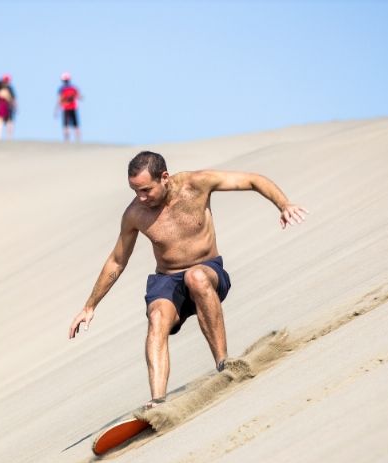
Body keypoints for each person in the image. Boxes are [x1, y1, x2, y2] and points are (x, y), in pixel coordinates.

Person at [68, 151, 309, 408]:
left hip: (207, 271)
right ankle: (158, 401)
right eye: (135, 191)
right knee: (157, 317)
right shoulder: (135, 214)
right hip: (168, 280)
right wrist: (90, 306)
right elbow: (117, 260)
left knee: (196, 277)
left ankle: (224, 364)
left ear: (164, 178)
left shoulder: (197, 184)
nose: (140, 197)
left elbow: (252, 179)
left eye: (146, 190)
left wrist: (284, 205)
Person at [55, 72, 81, 142]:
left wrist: (56, 110)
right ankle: (78, 140)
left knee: (65, 125)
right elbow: (79, 97)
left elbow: (59, 100)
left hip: (66, 108)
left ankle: (66, 140)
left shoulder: (61, 89)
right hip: (73, 108)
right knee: (76, 125)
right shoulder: (73, 88)